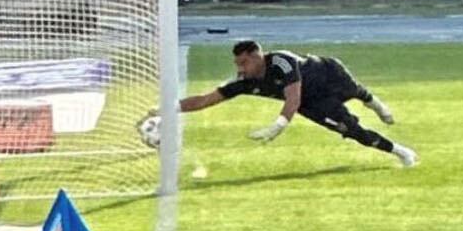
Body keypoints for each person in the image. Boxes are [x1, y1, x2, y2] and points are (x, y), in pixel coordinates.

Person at [177, 40, 418, 167]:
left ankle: (375, 103)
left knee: (357, 92)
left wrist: (278, 126)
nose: (240, 69)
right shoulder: (244, 82)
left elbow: (292, 96)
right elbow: (205, 100)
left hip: (328, 75)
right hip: (311, 102)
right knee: (352, 131)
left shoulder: (281, 61)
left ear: (257, 57)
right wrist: (170, 108)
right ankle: (401, 151)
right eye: (237, 64)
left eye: (243, 63)